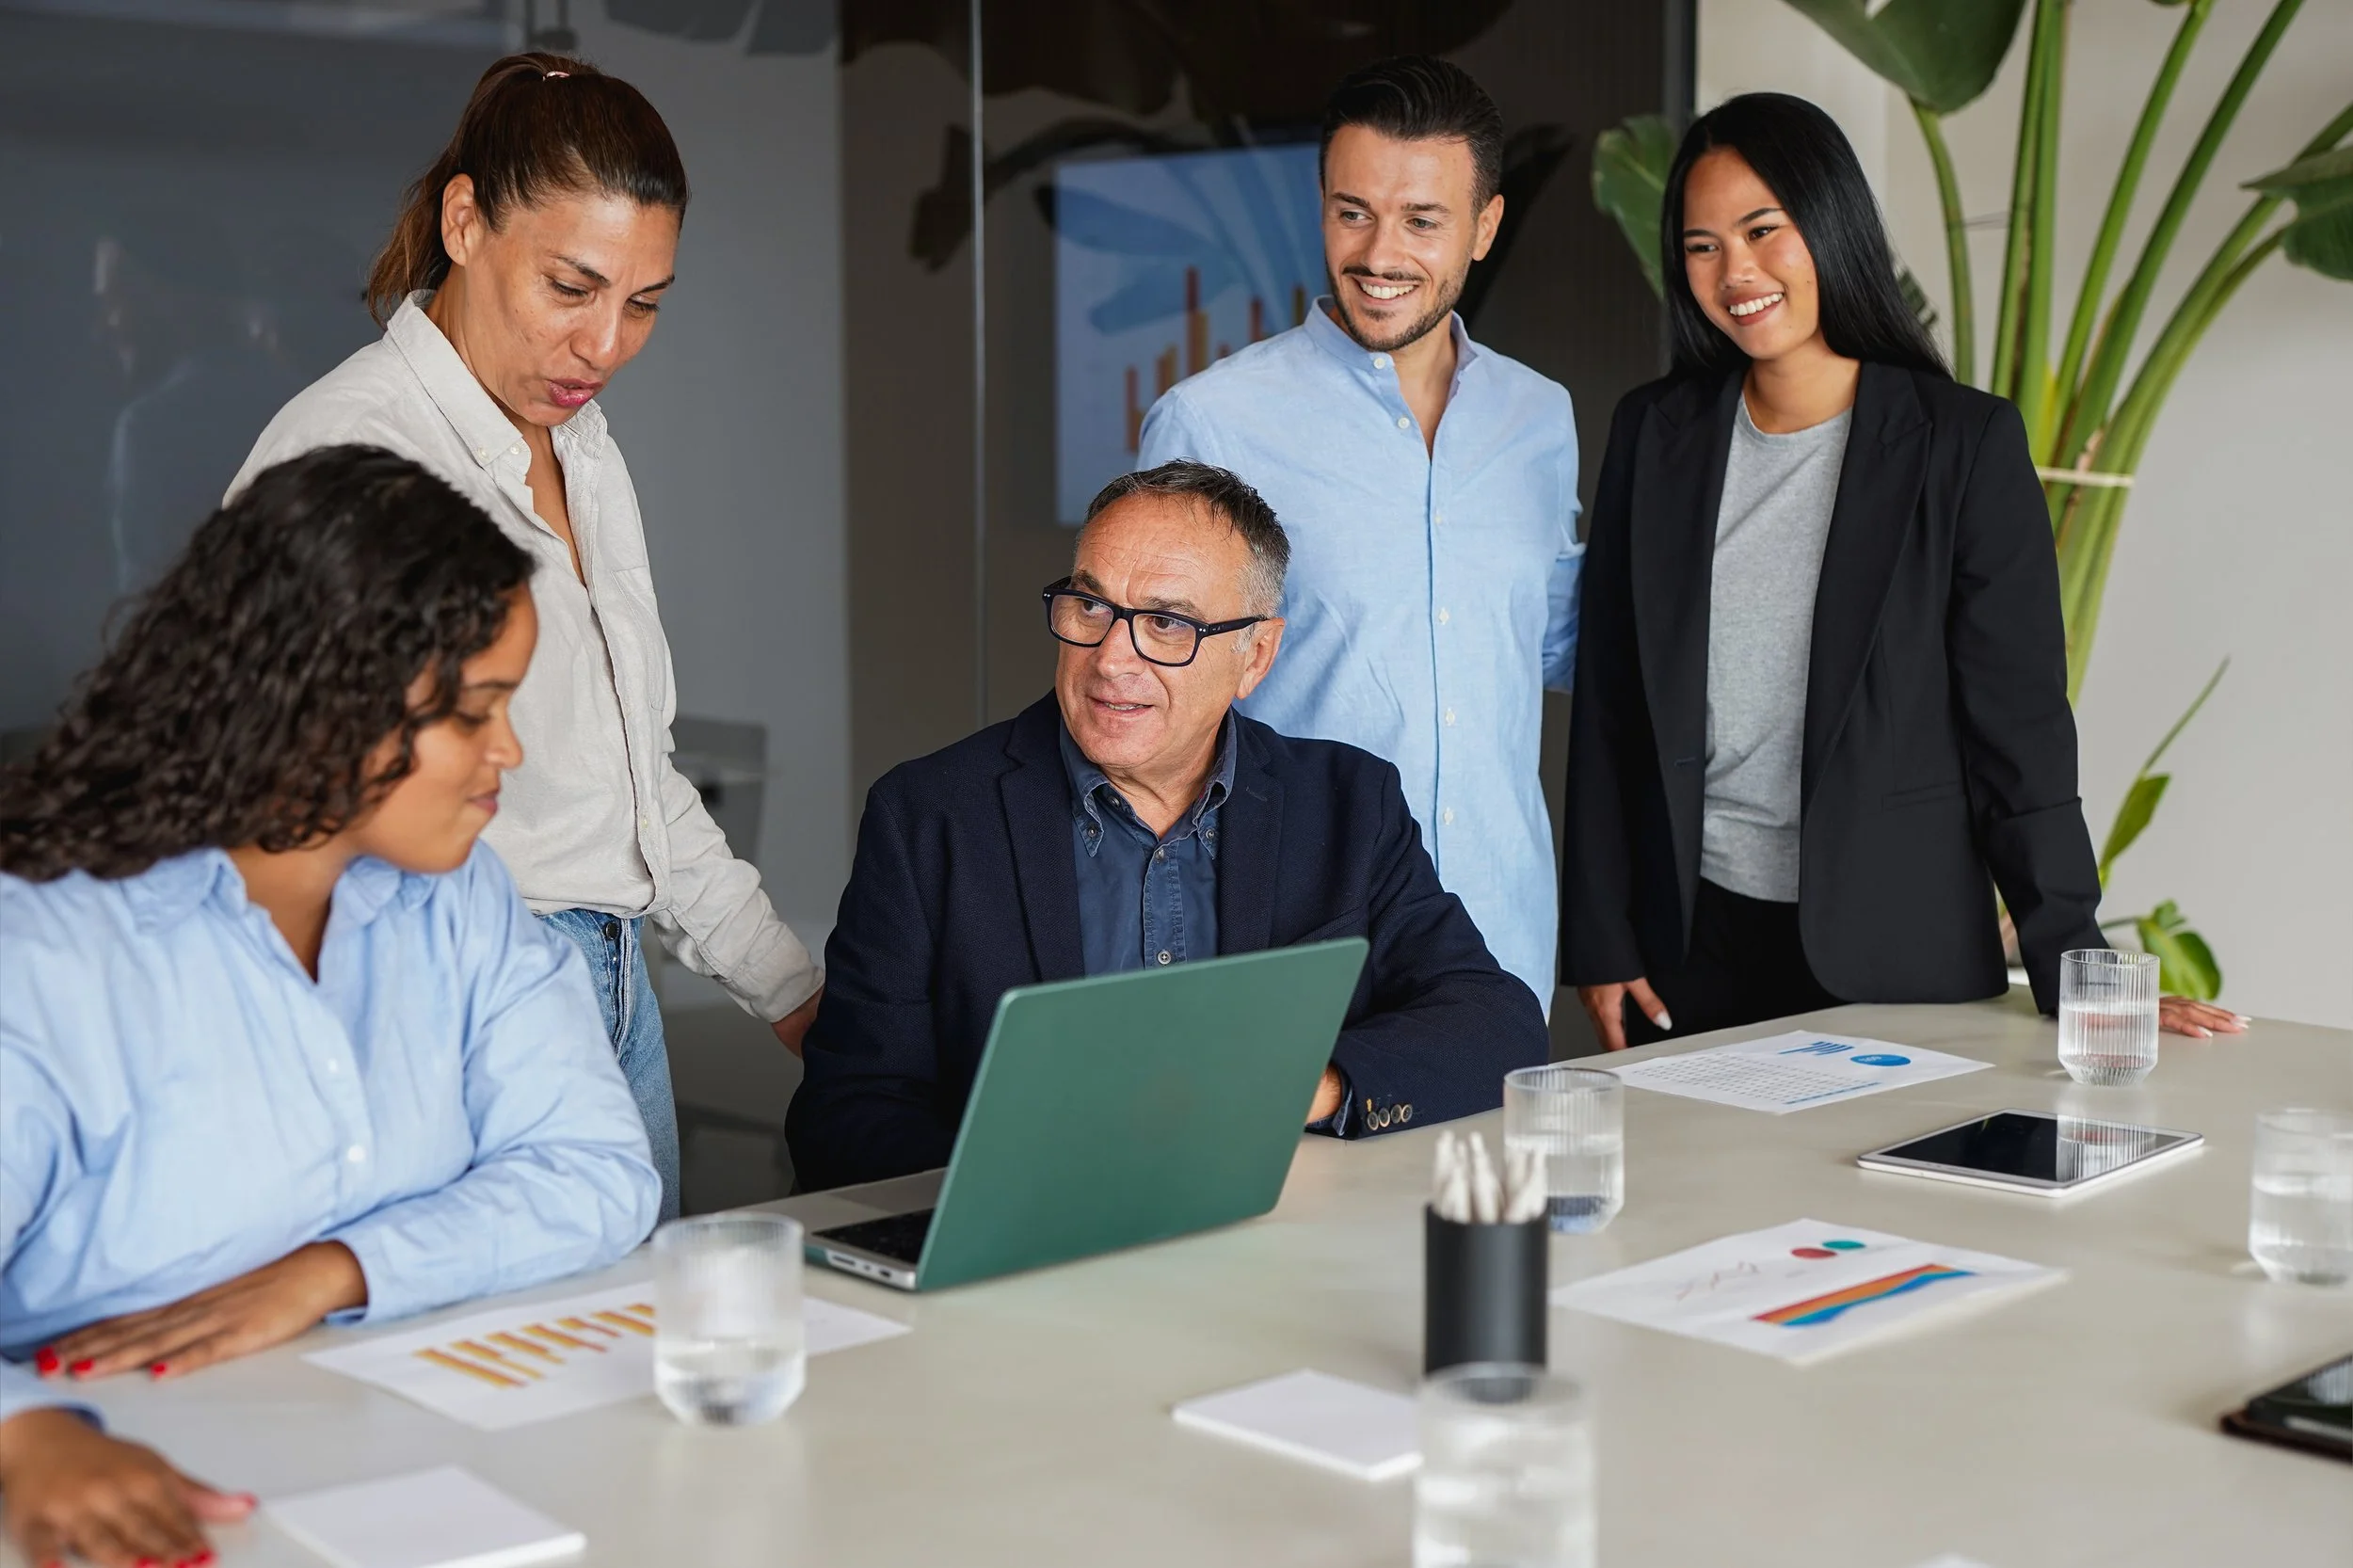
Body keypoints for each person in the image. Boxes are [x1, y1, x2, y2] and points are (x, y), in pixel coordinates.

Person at [0, 446, 659, 1568]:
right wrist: (24, 1438)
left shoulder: (463, 904)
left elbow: (599, 1171)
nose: (510, 751)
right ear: (324, 699)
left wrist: (337, 1271)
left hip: (413, 1478)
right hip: (135, 1490)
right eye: (476, 710)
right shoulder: (50, 951)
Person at [231, 53, 823, 1222]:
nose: (605, 344)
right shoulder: (351, 455)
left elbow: (632, 785)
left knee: (620, 1377)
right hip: (446, 1011)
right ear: (464, 221)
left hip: (614, 995)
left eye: (644, 303)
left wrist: (796, 993)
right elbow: (264, 801)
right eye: (571, 285)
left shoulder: (582, 448)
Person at [1560, 93, 2248, 1051]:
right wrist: (1599, 936)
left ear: (1830, 223)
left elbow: (2021, 731)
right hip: (1691, 947)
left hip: (1896, 955)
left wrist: (2073, 965)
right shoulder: (1655, 432)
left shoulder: (1961, 444)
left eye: (1764, 231)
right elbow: (1610, 704)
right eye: (1702, 244)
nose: (1735, 271)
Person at [785, 461, 1546, 1191]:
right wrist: (1044, 1175)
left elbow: (1495, 1024)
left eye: (1166, 623)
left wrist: (1293, 1087)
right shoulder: (929, 817)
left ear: (1256, 655)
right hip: (1034, 1263)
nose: (1112, 658)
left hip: (1285, 1243)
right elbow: (845, 1114)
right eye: (1089, 606)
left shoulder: (1348, 802)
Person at [1136, 56, 1581, 1016]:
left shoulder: (1539, 419)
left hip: (1501, 931)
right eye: (1352, 212)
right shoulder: (1211, 423)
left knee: (1486, 1174)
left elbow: (1552, 647)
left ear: (1485, 227)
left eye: (1422, 219)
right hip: (1293, 935)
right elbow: (1143, 705)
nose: (1380, 252)